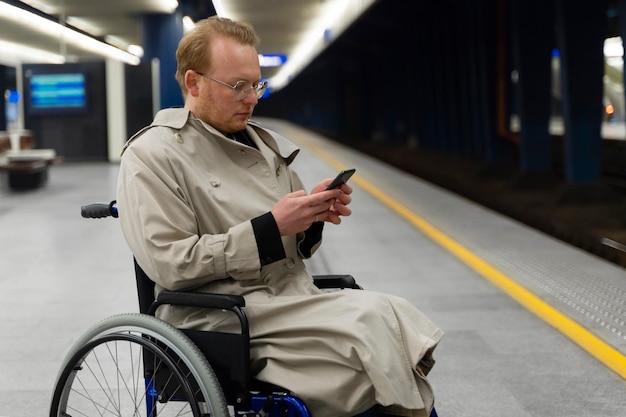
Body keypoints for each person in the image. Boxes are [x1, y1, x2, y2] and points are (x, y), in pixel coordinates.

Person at [116, 16, 443, 417]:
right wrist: (269, 227)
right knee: (371, 334)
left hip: (287, 302)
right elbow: (171, 264)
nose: (252, 98)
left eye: (256, 84)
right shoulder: (153, 156)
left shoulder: (264, 146)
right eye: (238, 86)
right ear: (193, 83)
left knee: (382, 322)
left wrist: (312, 217)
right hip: (220, 316)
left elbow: (291, 247)